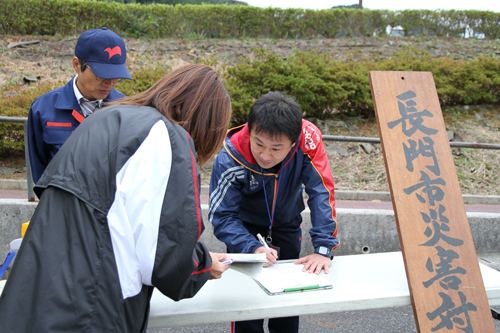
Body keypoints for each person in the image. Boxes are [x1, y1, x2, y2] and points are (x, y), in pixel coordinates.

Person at [0, 64, 232, 332]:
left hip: (35, 293)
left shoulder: (107, 117)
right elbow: (162, 256)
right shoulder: (165, 136)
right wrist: (203, 264)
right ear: (205, 120)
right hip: (93, 307)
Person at [209, 91, 339, 333]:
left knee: (287, 308)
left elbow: (321, 192)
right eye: (258, 143)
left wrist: (323, 249)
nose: (265, 155)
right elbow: (223, 216)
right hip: (244, 234)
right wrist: (251, 247)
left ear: (293, 142)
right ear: (250, 130)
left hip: (287, 226)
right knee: (246, 307)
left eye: (276, 148)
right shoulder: (231, 156)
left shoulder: (308, 141)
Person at [28, 27, 132, 184]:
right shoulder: (43, 109)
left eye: (116, 76)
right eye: (101, 75)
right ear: (77, 65)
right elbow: (39, 167)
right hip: (61, 205)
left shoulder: (127, 110)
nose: (109, 83)